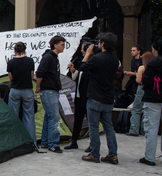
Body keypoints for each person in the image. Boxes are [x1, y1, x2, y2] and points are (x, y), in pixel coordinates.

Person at [79, 32, 120, 164]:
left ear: (102, 43)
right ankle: (113, 154)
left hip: (95, 97)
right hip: (108, 97)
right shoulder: (114, 60)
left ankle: (95, 153)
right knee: (109, 127)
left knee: (94, 127)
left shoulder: (97, 58)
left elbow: (82, 67)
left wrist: (87, 54)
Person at [36, 35, 66, 153]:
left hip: (50, 90)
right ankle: (53, 143)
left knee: (48, 116)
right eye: (62, 44)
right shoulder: (49, 57)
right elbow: (39, 73)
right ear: (55, 45)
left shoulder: (53, 58)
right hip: (48, 91)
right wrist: (38, 86)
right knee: (54, 117)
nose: (64, 47)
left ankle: (45, 142)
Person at [7, 42, 36, 143]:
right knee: (29, 116)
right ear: (24, 49)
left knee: (14, 116)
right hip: (27, 90)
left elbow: (11, 78)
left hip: (15, 90)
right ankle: (31, 142)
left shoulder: (10, 62)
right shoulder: (30, 61)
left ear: (14, 50)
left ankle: (14, 141)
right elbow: (32, 77)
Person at [65, 42, 92, 151]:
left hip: (87, 96)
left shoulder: (90, 63)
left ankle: (92, 143)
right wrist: (73, 71)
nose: (81, 51)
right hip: (78, 96)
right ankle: (74, 140)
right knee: (77, 120)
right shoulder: (82, 63)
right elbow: (79, 76)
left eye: (83, 49)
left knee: (91, 120)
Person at [127, 51, 154, 136]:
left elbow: (138, 80)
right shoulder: (154, 67)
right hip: (151, 89)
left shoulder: (142, 68)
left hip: (141, 88)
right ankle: (144, 130)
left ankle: (134, 129)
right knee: (146, 110)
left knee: (136, 109)